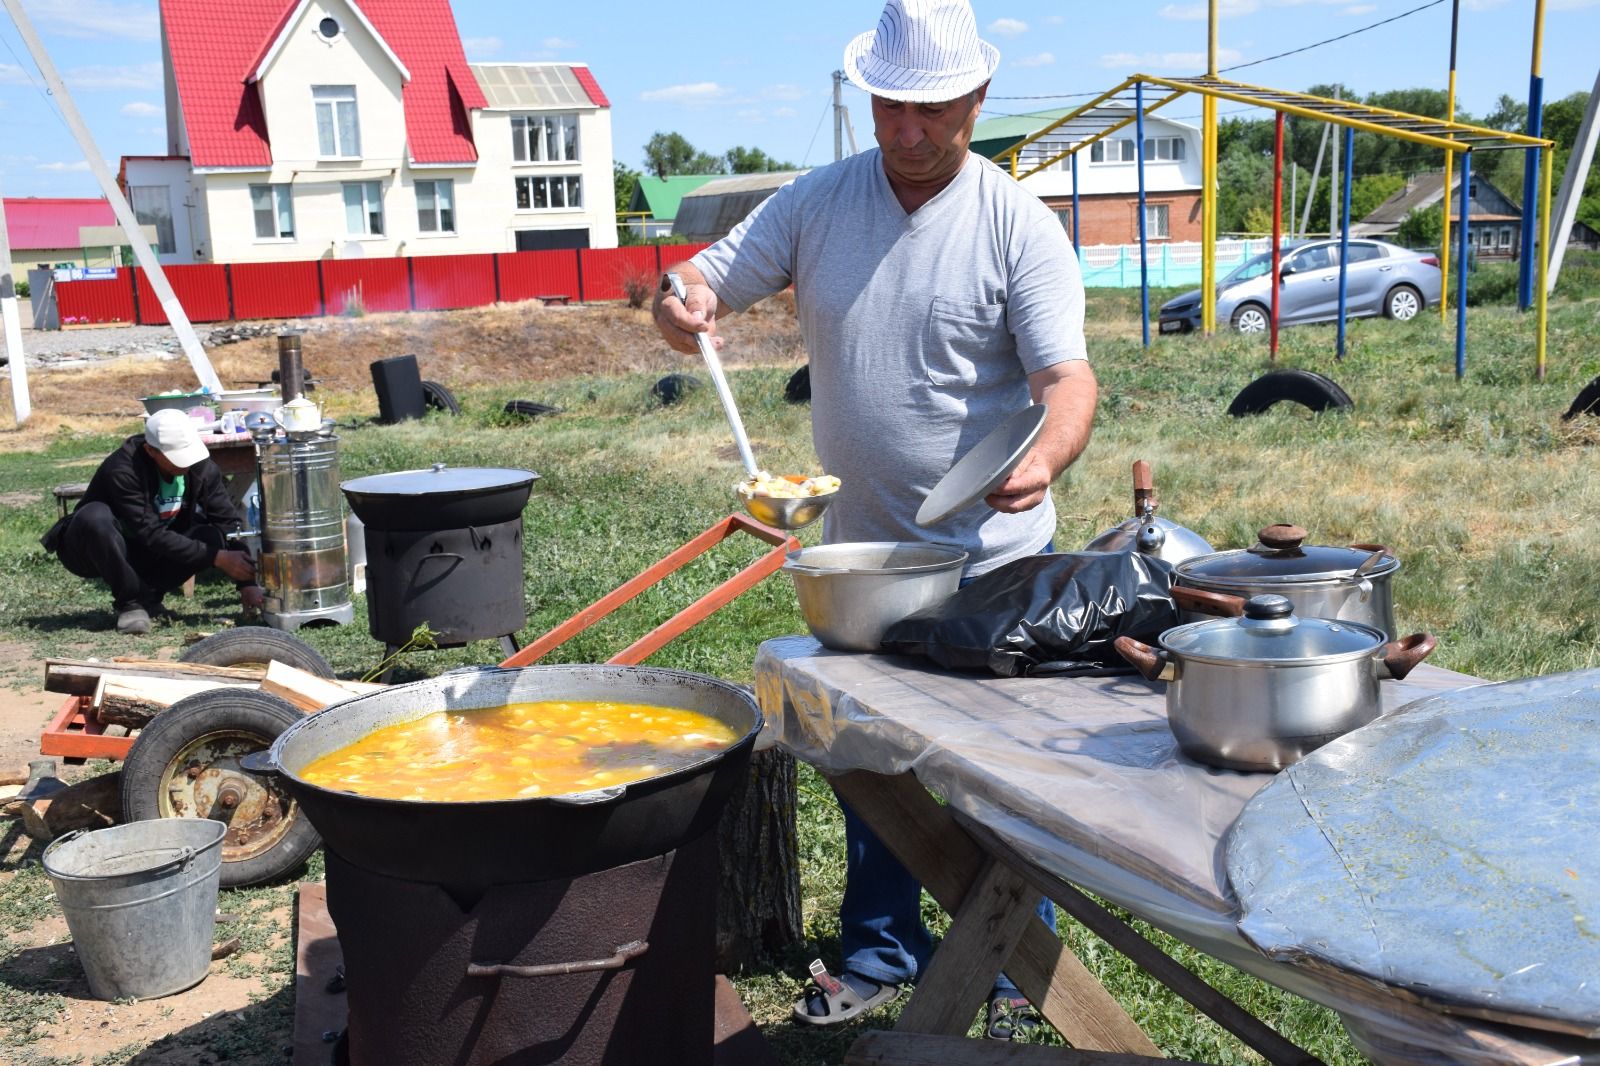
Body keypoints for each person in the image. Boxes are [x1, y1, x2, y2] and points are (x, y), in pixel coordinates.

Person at [652, 0, 1098, 1038]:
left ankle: (1005, 974)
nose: (906, 130)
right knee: (871, 768)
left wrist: (1042, 456)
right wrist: (677, 306)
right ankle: (879, 951)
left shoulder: (1015, 225)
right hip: (865, 556)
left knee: (995, 779)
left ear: (976, 100)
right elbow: (697, 291)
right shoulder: (815, 203)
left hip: (994, 557)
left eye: (931, 110)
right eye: (889, 106)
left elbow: (1066, 381)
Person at [44, 409, 261, 634]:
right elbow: (150, 532)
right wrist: (216, 558)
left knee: (211, 537)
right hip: (93, 549)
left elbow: (227, 520)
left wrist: (247, 583)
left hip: (146, 551)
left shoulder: (200, 466)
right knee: (95, 517)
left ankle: (149, 599)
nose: (185, 463)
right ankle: (130, 604)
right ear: (150, 451)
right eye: (176, 456)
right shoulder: (122, 469)